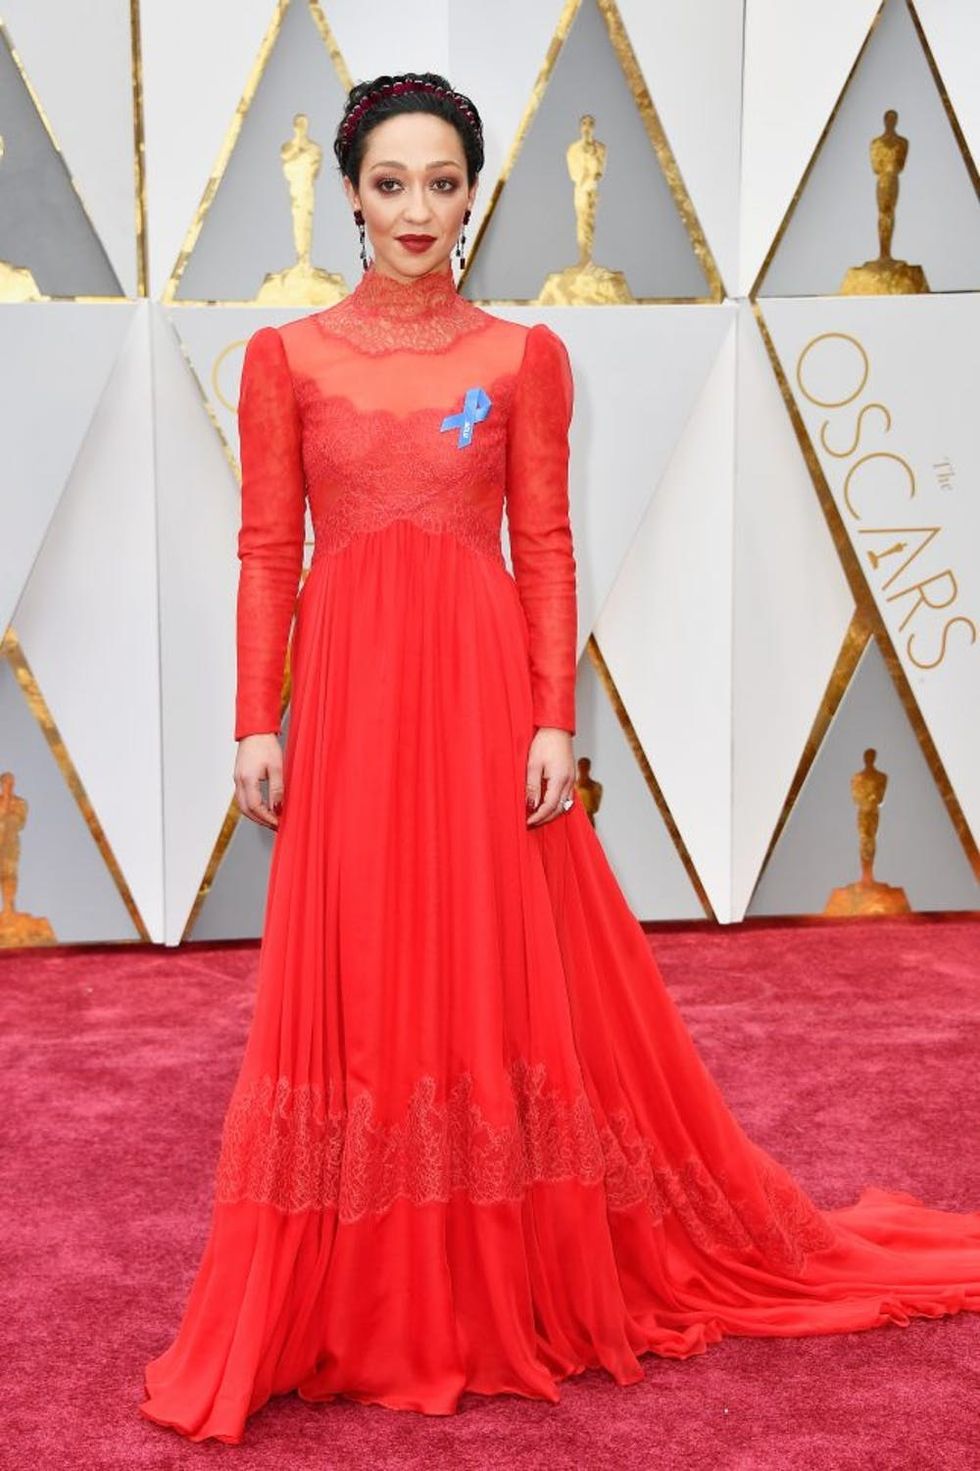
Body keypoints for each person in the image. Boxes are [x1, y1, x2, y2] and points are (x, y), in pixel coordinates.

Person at [139, 72, 980, 1446]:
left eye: (445, 181)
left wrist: (552, 721)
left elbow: (547, 549)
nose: (420, 208)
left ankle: (487, 1280)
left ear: (477, 195)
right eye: (393, 182)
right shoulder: (284, 360)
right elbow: (262, 554)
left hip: (479, 701)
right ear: (348, 193)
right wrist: (254, 718)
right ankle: (358, 1294)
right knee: (362, 970)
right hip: (349, 704)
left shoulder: (523, 358)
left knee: (487, 966)